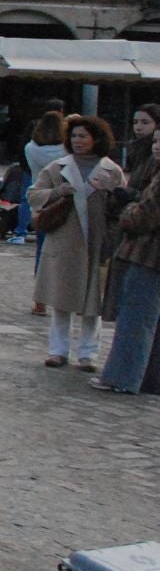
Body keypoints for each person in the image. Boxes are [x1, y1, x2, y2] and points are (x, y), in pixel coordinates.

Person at [27, 114, 125, 371]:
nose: (78, 140)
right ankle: (58, 350)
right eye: (74, 136)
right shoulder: (57, 167)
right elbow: (33, 195)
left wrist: (111, 192)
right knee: (61, 298)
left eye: (83, 136)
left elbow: (123, 206)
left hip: (97, 242)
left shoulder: (111, 170)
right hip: (64, 242)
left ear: (96, 139)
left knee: (93, 302)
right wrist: (56, 192)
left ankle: (88, 354)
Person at [95, 129, 160, 395]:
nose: (157, 146)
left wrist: (126, 210)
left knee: (136, 319)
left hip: (149, 254)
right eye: (155, 141)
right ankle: (148, 380)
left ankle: (123, 378)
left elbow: (146, 215)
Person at [17, 109, 69, 261]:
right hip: (61, 197)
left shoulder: (30, 148)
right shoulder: (66, 150)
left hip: (40, 196)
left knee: (41, 245)